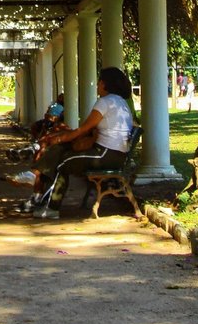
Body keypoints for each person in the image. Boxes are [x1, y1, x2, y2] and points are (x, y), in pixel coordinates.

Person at [26, 67, 135, 220]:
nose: (97, 85)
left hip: (106, 154)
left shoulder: (105, 102)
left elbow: (83, 130)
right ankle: (37, 180)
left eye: (98, 82)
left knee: (64, 161)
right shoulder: (120, 102)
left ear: (104, 84)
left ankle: (51, 207)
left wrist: (59, 138)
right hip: (115, 154)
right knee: (63, 152)